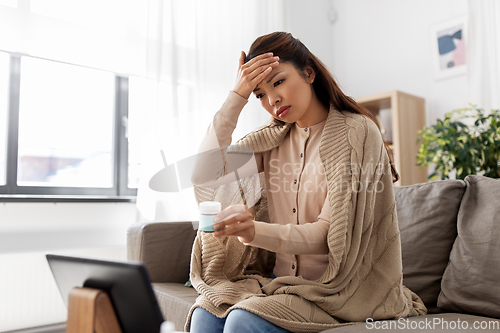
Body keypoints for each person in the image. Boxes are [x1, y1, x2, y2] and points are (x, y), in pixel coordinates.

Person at [187, 31, 426, 333]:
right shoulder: (269, 143)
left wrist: (253, 231)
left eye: (278, 82)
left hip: (337, 289)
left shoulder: (357, 133)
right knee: (205, 313)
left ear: (309, 73)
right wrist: (237, 97)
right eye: (259, 94)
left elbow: (329, 234)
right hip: (280, 285)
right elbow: (204, 176)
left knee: (241, 320)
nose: (272, 99)